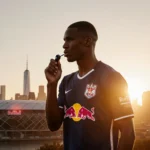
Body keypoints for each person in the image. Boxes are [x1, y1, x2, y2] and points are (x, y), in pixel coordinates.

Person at [45, 21, 135, 150]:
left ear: (87, 41)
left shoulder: (111, 77)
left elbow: (128, 134)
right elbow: (53, 125)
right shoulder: (66, 82)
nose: (64, 46)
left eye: (69, 40)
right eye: (64, 41)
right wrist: (51, 85)